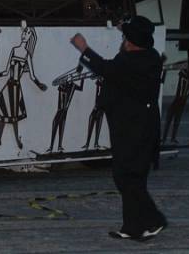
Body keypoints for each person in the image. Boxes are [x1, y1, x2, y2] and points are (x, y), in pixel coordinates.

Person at [71, 16, 166, 241]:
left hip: (134, 128)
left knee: (127, 177)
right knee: (131, 177)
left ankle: (153, 219)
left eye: (125, 36)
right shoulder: (147, 56)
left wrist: (84, 48)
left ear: (131, 42)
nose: (122, 39)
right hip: (138, 125)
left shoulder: (131, 62)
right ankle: (132, 226)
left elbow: (105, 68)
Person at [0, 27, 47, 149]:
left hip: (16, 88)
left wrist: (39, 84)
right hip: (9, 85)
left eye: (28, 33)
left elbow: (32, 75)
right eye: (24, 32)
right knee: (3, 112)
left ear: (30, 37)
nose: (25, 34)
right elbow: (6, 71)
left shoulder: (27, 55)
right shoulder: (14, 50)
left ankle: (17, 141)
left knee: (13, 115)